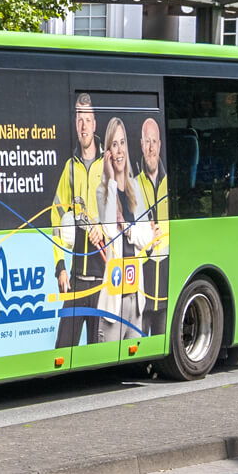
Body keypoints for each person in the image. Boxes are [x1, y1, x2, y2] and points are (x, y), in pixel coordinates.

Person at [93, 117, 153, 343]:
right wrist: (109, 179)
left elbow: (147, 237)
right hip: (113, 301)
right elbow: (108, 230)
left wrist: (128, 228)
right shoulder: (102, 191)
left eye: (122, 143)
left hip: (136, 300)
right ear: (108, 151)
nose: (119, 151)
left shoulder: (135, 188)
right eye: (114, 144)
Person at [53, 94, 105, 348]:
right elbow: (56, 218)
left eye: (87, 119)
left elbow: (126, 215)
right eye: (79, 120)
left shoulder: (110, 166)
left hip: (105, 284)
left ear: (95, 124)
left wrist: (103, 230)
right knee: (62, 350)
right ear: (75, 124)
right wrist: (60, 266)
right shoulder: (69, 169)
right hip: (76, 281)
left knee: (101, 353)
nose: (83, 126)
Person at [135, 117, 169, 337]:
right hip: (142, 287)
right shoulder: (133, 185)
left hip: (167, 283)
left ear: (160, 145)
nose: (150, 147)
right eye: (146, 142)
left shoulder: (171, 184)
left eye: (154, 141)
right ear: (141, 144)